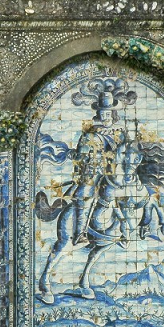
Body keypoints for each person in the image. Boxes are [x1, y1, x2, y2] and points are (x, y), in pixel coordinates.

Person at [69, 78, 136, 245]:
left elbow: (128, 150)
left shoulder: (120, 133)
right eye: (102, 113)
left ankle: (129, 229)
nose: (106, 117)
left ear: (113, 114)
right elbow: (81, 155)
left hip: (116, 170)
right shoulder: (90, 134)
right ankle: (80, 233)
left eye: (108, 113)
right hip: (95, 171)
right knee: (86, 193)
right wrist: (84, 157)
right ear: (98, 114)